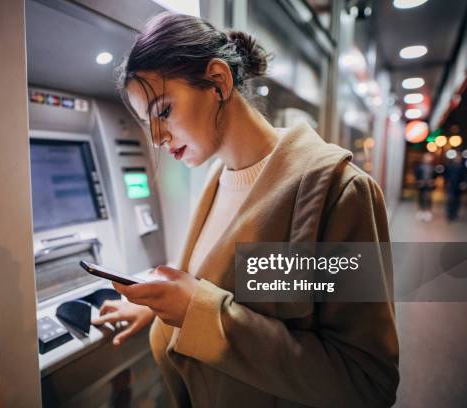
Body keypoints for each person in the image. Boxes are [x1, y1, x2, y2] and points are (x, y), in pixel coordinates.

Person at [92, 12, 399, 407]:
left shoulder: (338, 193)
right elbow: (239, 286)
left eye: (163, 111)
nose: (155, 138)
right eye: (147, 122)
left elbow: (366, 380)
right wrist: (158, 308)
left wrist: (196, 313)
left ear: (218, 82)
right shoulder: (217, 178)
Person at [413, 152, 436, 222]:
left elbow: (435, 176)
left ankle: (427, 213)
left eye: (429, 157)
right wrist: (419, 181)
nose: (428, 159)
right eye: (426, 157)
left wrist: (432, 181)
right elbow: (416, 175)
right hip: (421, 185)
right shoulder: (419, 167)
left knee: (428, 198)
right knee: (420, 198)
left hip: (429, 186)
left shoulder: (432, 167)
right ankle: (421, 211)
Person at [445, 155, 466, 221]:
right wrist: (447, 183)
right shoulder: (450, 166)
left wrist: (464, 183)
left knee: (457, 201)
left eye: (459, 158)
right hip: (451, 186)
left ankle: (455, 214)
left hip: (458, 187)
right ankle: (449, 214)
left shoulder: (462, 168)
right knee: (450, 200)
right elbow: (446, 176)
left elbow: (465, 177)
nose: (458, 159)